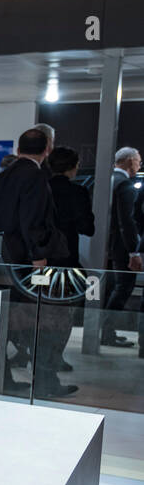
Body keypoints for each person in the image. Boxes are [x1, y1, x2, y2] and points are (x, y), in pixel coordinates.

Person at [0, 127, 76, 396]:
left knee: (10, 317)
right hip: (30, 260)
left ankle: (5, 380)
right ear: (47, 149)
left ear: (18, 148)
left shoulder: (4, 176)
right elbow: (32, 219)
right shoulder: (34, 176)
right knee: (52, 316)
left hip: (7, 257)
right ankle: (46, 380)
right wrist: (39, 255)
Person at [102, 146, 143, 347]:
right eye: (138, 161)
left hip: (104, 246)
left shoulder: (107, 181)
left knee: (109, 287)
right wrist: (134, 251)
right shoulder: (124, 185)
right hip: (121, 247)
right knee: (123, 287)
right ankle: (107, 332)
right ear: (128, 161)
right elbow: (127, 222)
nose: (139, 165)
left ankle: (104, 332)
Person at [46, 146, 93, 269]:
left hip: (42, 250)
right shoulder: (78, 192)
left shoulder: (40, 189)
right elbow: (87, 227)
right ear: (72, 166)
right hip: (67, 250)